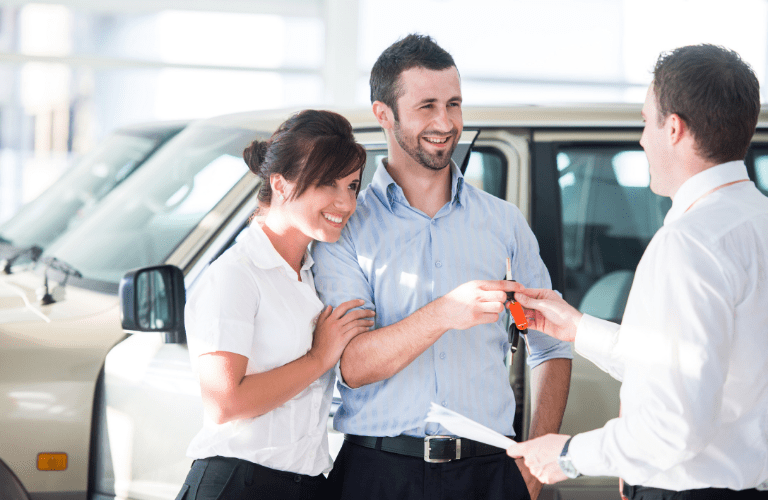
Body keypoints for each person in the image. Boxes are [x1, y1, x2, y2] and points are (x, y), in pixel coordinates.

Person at [311, 34, 573, 500]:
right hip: (379, 474)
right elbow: (351, 365)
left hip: (491, 473)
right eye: (426, 106)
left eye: (454, 104)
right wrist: (443, 313)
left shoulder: (504, 222)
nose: (445, 122)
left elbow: (551, 347)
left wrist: (533, 460)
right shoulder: (346, 227)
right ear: (383, 115)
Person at [506, 44, 768, 500]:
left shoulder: (689, 243)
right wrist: (579, 328)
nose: (642, 139)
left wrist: (567, 454)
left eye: (646, 122)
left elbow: (674, 425)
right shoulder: (757, 221)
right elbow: (692, 368)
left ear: (673, 128)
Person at [175, 109, 376, 500]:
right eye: (327, 184)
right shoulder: (236, 274)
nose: (346, 202)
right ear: (280, 185)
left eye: (352, 185)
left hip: (305, 485)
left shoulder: (314, 275)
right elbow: (224, 403)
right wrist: (319, 359)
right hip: (238, 484)